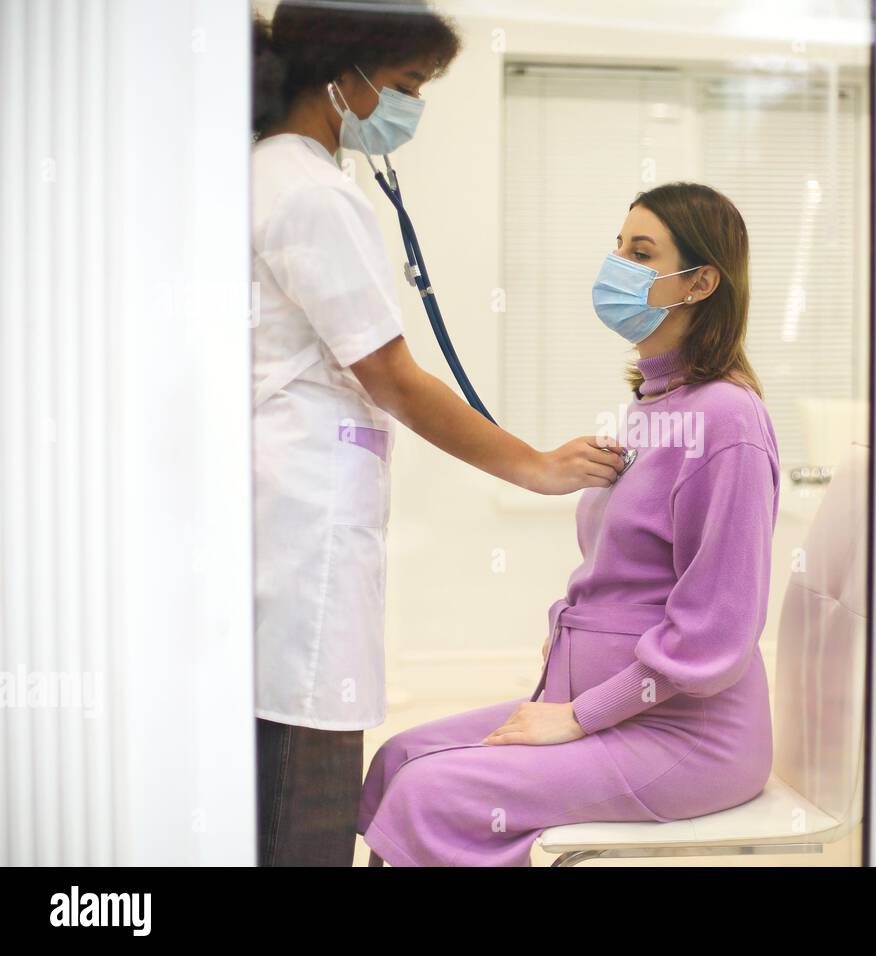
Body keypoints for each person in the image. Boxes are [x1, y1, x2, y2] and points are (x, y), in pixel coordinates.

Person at [250, 0, 625, 867]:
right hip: (299, 539)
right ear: (343, 76)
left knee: (302, 770)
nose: (412, 108)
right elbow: (395, 377)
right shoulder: (304, 189)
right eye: (408, 86)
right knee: (299, 803)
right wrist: (533, 468)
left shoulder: (287, 178)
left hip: (301, 522)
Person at [357, 182, 779, 867]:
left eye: (640, 253)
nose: (615, 265)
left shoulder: (728, 421)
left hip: (686, 737)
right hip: (610, 709)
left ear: (700, 282)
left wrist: (579, 716)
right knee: (400, 758)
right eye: (617, 246)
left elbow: (717, 632)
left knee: (432, 792)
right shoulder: (653, 406)